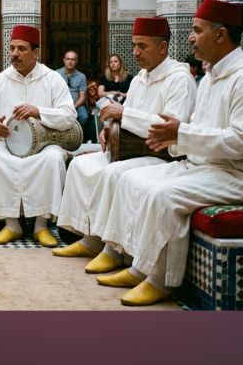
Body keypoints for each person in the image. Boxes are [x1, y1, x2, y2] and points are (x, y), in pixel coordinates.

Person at [97, 0, 243, 306]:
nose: (190, 37)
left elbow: (242, 142)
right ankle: (133, 262)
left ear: (220, 35)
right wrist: (173, 138)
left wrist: (180, 134)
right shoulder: (211, 76)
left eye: (197, 30)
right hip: (208, 165)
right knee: (131, 180)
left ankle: (158, 279)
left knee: (165, 196)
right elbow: (196, 127)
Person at [55, 17, 197, 273]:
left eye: (142, 46)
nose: (135, 52)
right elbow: (126, 114)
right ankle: (90, 239)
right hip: (130, 147)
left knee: (113, 174)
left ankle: (113, 250)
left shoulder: (179, 79)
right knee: (79, 165)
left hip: (160, 154)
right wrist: (110, 131)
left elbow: (170, 127)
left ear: (163, 47)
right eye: (134, 45)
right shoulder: (142, 77)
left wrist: (124, 116)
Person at [0, 25, 76, 246]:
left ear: (36, 52)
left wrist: (39, 111)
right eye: (12, 48)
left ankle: (41, 226)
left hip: (44, 146)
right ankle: (11, 225)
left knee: (53, 159)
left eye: (21, 49)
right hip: (7, 145)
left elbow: (69, 115)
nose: (14, 54)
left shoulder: (52, 79)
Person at [56, 50, 88, 130]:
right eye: (68, 59)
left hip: (76, 105)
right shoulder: (56, 74)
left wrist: (74, 106)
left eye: (73, 59)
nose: (70, 61)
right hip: (60, 104)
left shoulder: (81, 76)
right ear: (64, 60)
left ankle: (77, 135)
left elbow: (82, 96)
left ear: (76, 61)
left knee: (84, 116)